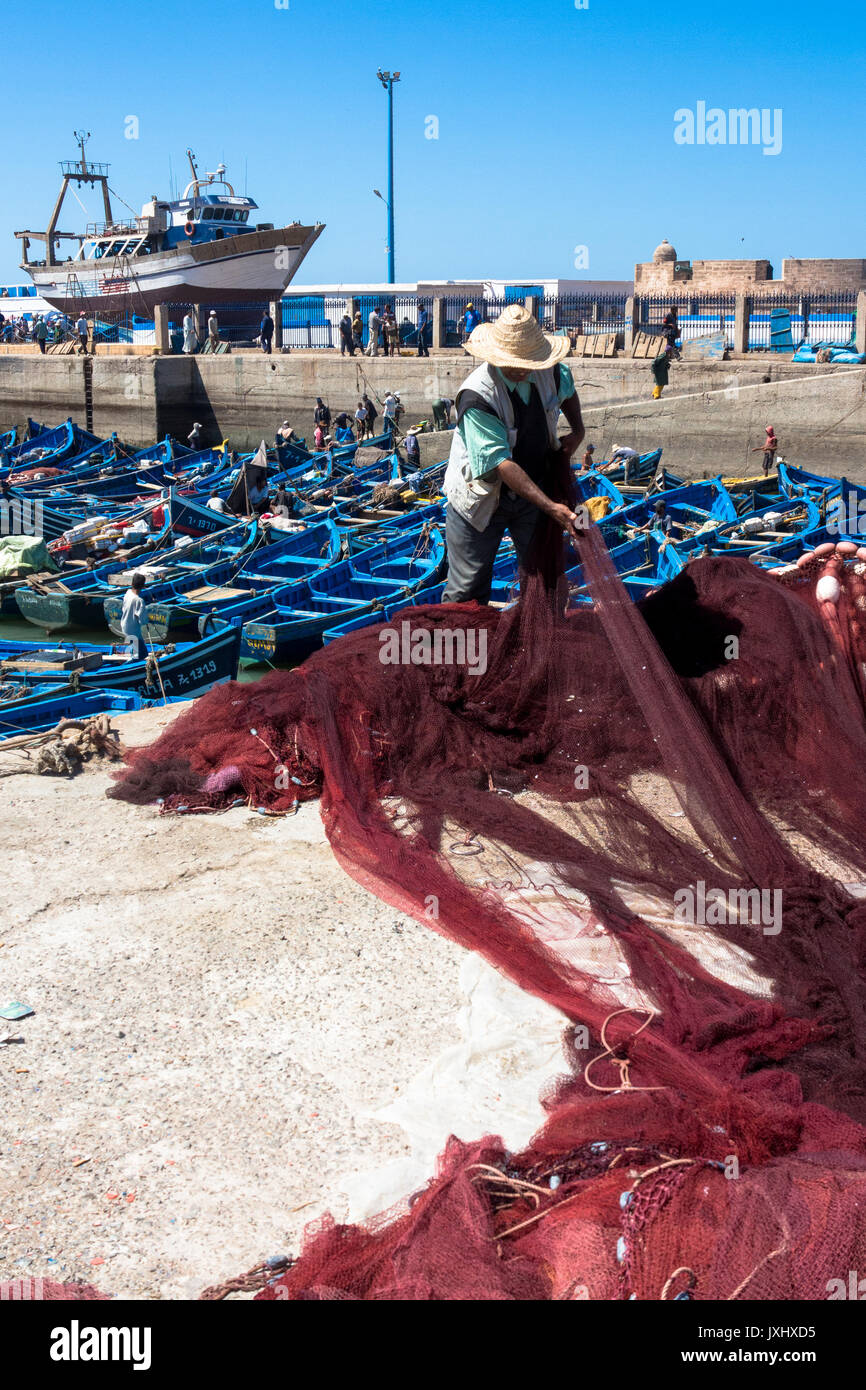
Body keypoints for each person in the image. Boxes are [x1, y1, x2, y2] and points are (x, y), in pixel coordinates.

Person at [442, 303, 585, 604]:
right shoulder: (477, 396)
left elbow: (568, 392)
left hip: (532, 492)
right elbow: (501, 463)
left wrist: (578, 430)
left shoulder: (552, 373)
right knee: (467, 589)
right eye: (514, 363)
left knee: (543, 579)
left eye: (528, 362)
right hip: (479, 498)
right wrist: (550, 507)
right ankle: (462, 648)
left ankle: (539, 645)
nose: (522, 368)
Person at [120, 573, 147, 661]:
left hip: (124, 626)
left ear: (132, 584)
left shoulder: (128, 593)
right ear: (143, 586)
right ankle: (130, 666)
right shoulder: (139, 600)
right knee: (143, 654)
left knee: (137, 650)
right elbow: (142, 621)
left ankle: (134, 656)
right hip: (133, 631)